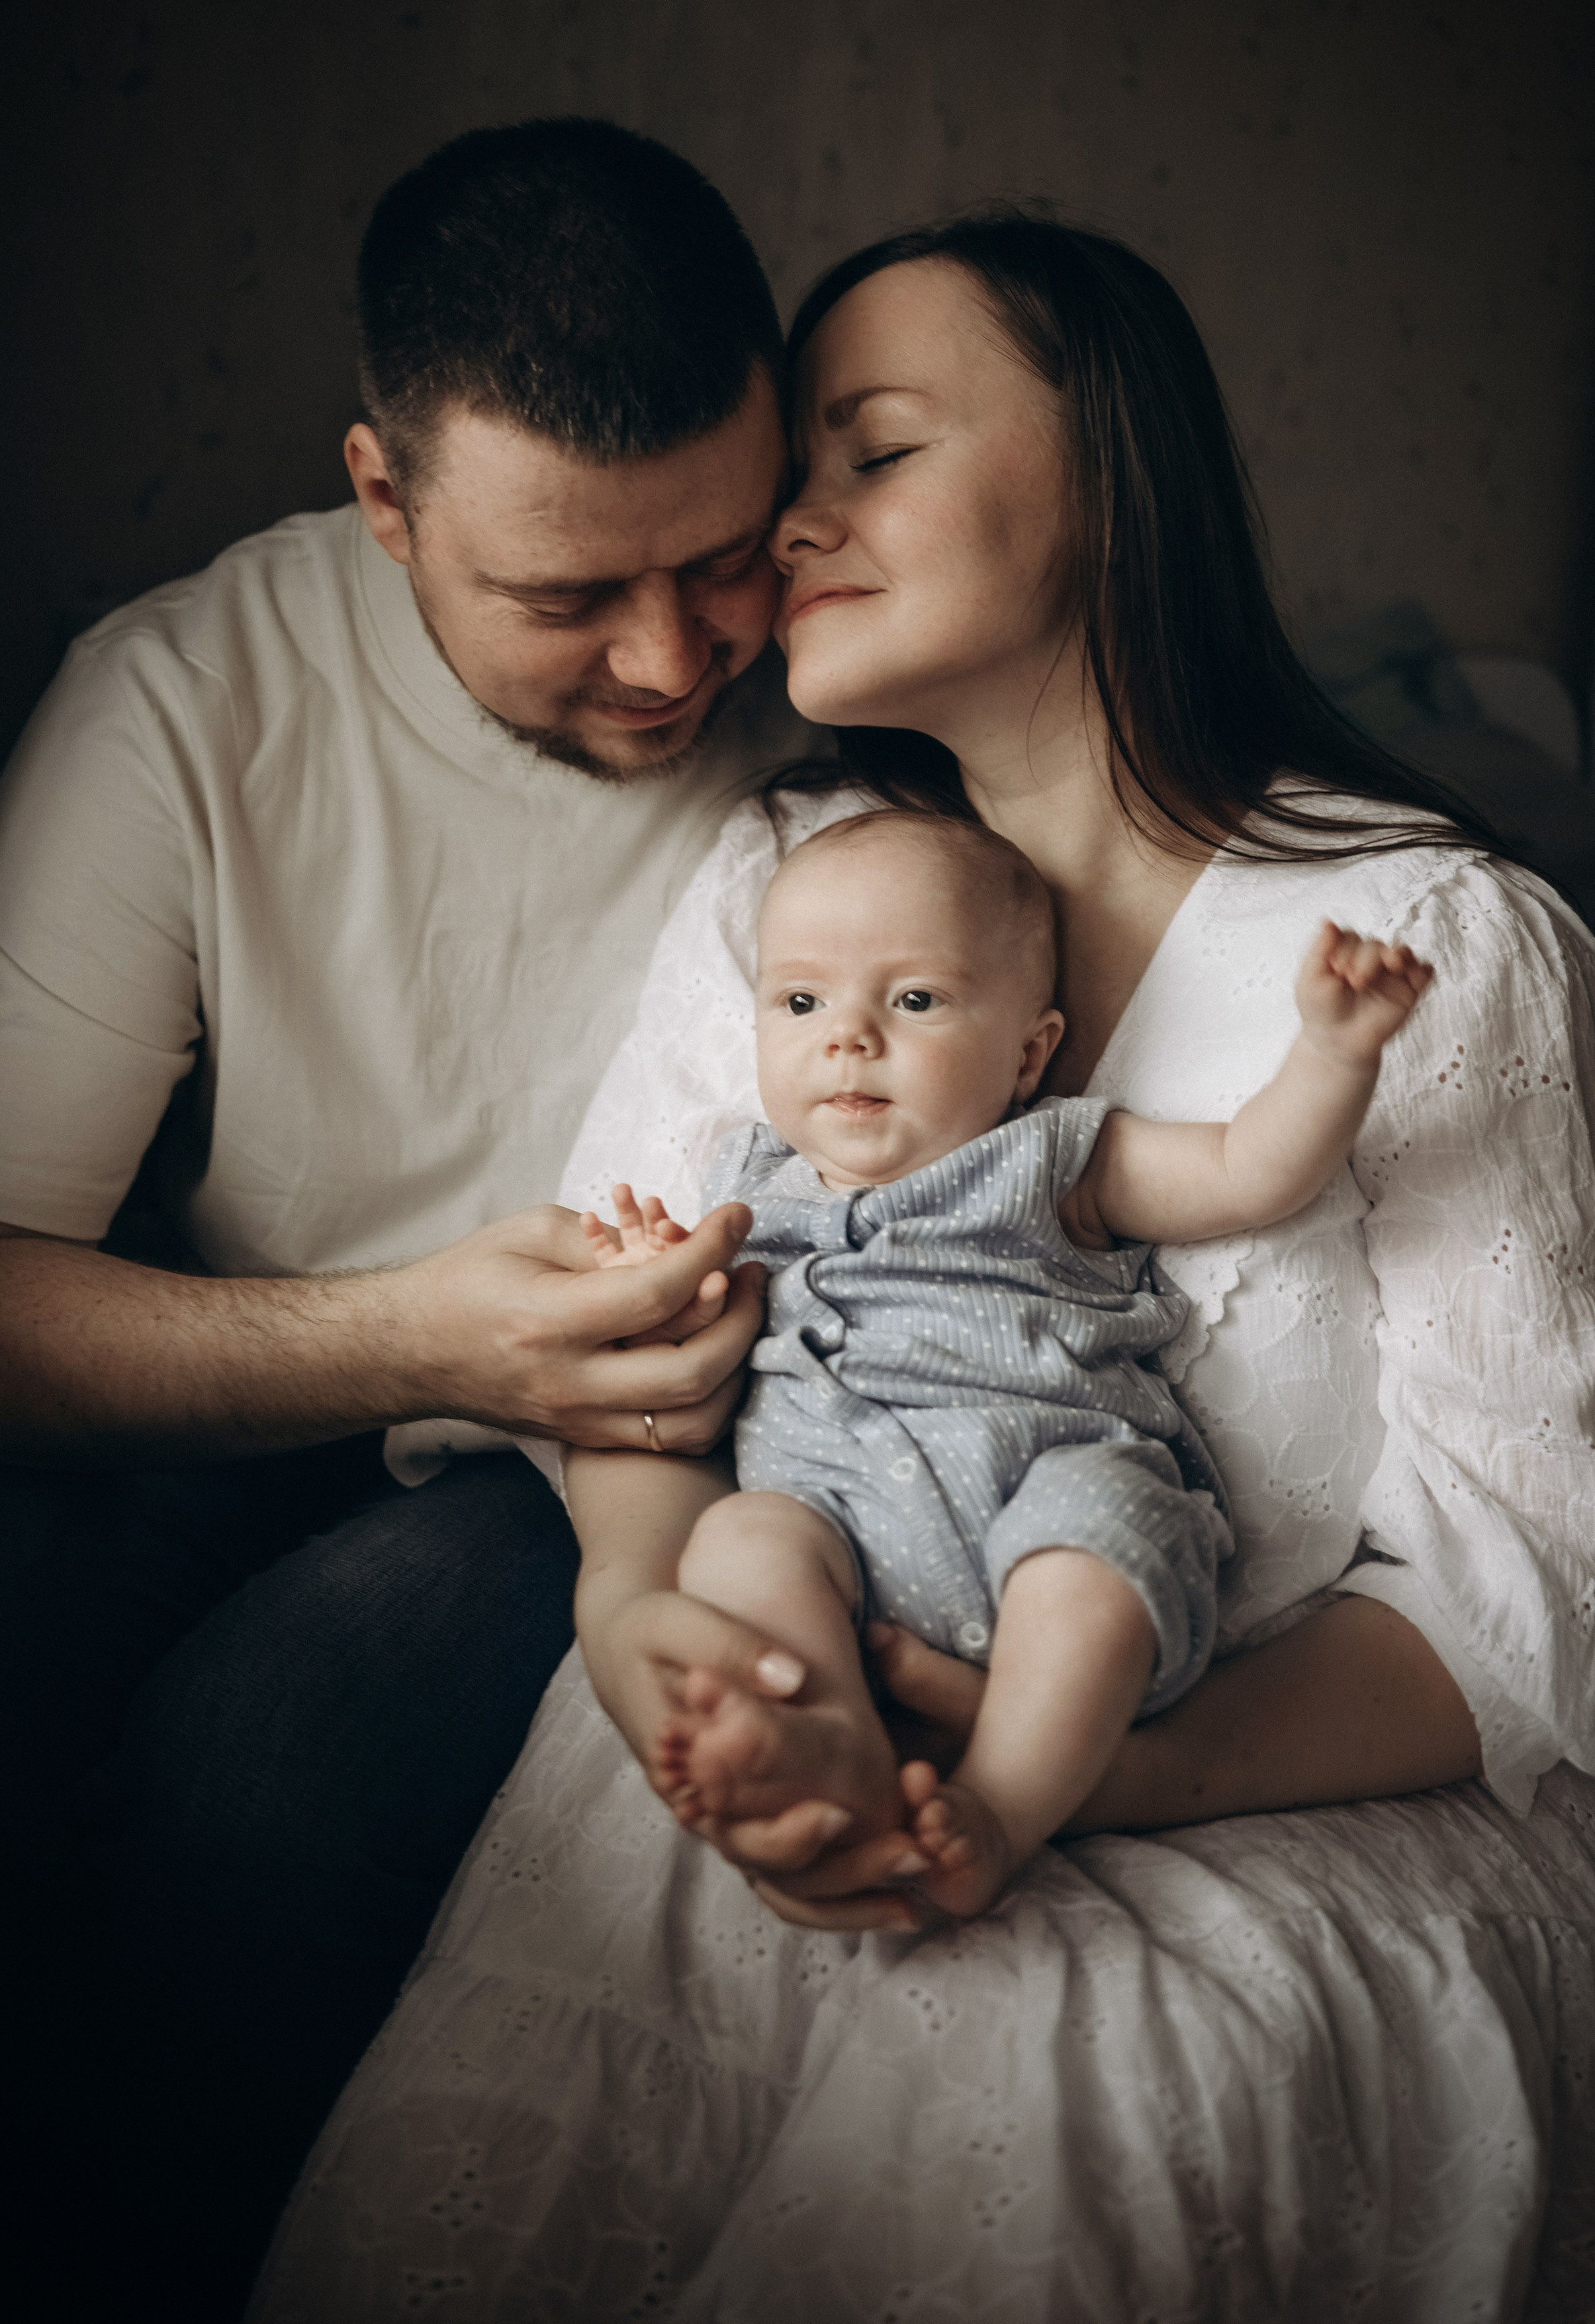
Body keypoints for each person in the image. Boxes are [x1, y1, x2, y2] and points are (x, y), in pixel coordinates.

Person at [251, 211, 1595, 2320]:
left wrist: (1103, 1776)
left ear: (1108, 477)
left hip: (1262, 1786)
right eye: (806, 470)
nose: (790, 521)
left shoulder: (1429, 941)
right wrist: (634, 1612)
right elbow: (643, 1325)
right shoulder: (777, 888)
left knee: (1044, 2124)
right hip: (792, 1704)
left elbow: (1527, 1594)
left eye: (870, 451)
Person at [0, 118, 833, 2323]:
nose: (673, 661)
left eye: (716, 560)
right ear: (383, 497)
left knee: (264, 1792)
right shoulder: (184, 702)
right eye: (564, 595)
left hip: (597, 1460)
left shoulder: (843, 655)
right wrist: (405, 1340)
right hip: (255, 1370)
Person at [581, 811, 1432, 1919]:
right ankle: (825, 1743)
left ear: (1030, 1051)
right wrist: (662, 1284)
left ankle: (997, 1810)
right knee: (740, 1541)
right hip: (836, 1525)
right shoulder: (750, 1189)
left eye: (915, 1000)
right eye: (801, 1004)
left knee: (1098, 1542)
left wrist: (1331, 1054)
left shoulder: (1052, 1157)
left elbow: (1249, 1170)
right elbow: (690, 1362)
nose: (848, 1037)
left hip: (1055, 1491)